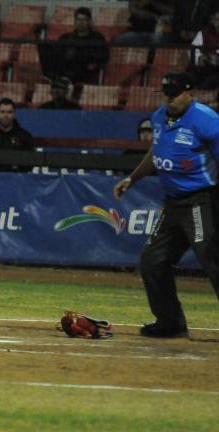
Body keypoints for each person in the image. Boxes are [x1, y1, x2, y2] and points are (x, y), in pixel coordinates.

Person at [112, 72, 219, 338]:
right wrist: (132, 178)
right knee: (152, 260)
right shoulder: (159, 117)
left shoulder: (206, 120)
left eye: (175, 94)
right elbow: (156, 152)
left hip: (201, 199)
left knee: (212, 258)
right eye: (167, 94)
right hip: (173, 203)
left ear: (190, 93)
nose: (170, 100)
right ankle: (170, 322)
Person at [42, 7, 109, 84]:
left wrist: (94, 63)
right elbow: (57, 54)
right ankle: (52, 77)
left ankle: (64, 78)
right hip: (64, 66)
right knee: (44, 46)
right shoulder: (66, 37)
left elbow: (104, 56)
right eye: (78, 19)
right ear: (75, 21)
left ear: (89, 21)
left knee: (76, 52)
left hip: (85, 69)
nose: (81, 22)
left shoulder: (97, 38)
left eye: (84, 19)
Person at [189, 10, 219, 90]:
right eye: (217, 20)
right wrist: (200, 57)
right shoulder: (204, 33)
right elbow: (193, 50)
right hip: (207, 70)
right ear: (213, 21)